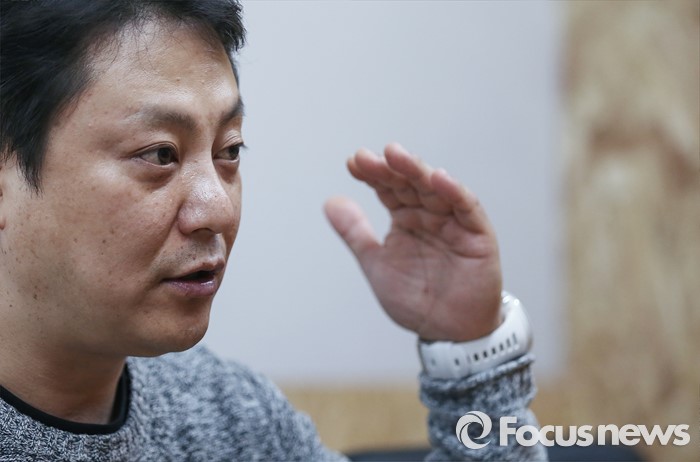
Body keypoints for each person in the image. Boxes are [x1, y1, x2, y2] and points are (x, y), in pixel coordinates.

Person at [0, 1, 546, 460]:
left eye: (230, 150)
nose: (218, 209)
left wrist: (471, 348)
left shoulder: (231, 415)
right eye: (160, 154)